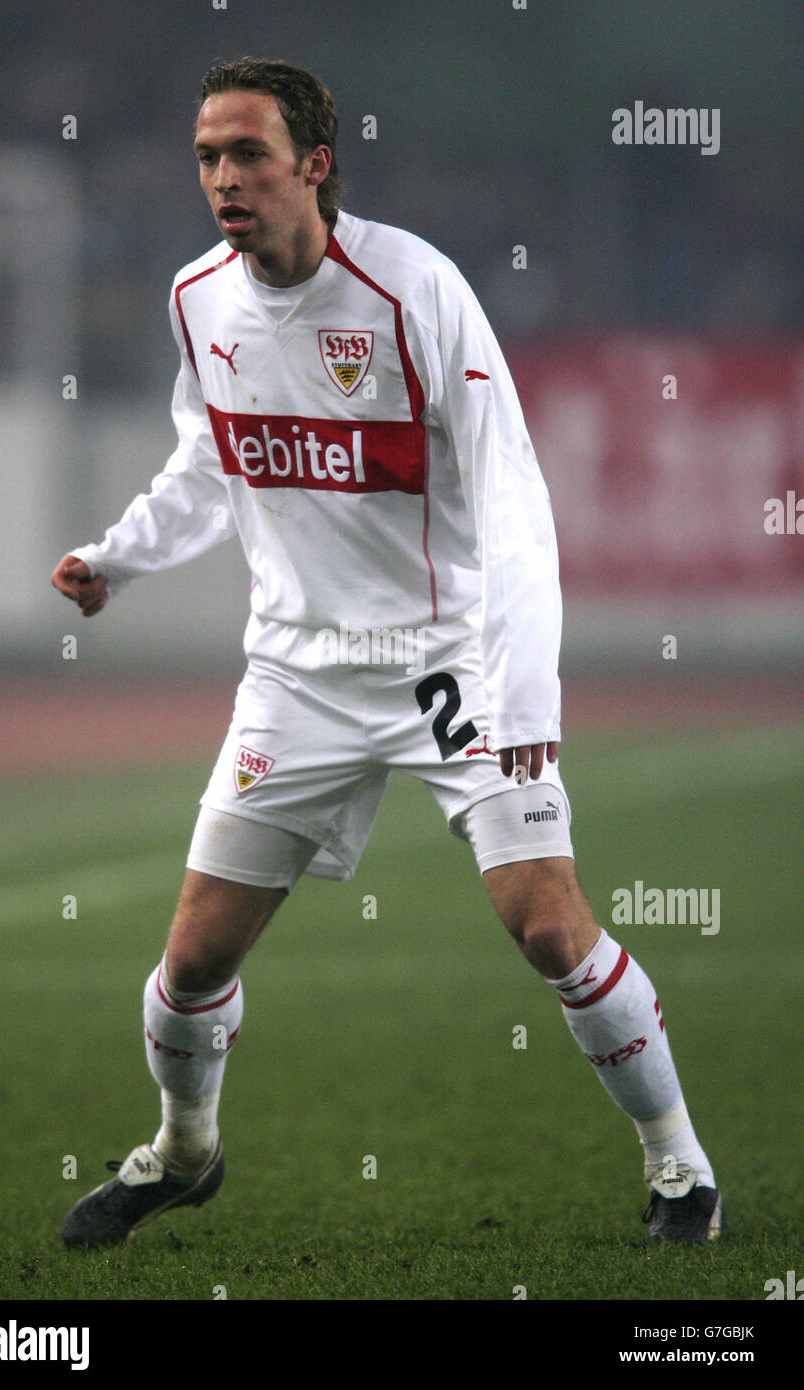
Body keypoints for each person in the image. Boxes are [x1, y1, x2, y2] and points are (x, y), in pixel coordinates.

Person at [52, 56, 721, 1249]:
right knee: (191, 962)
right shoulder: (197, 297)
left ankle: (678, 1166)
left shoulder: (414, 292)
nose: (222, 178)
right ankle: (186, 1150)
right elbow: (212, 455)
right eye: (207, 156)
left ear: (314, 162)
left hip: (442, 662)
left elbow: (512, 501)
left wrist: (521, 692)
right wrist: (116, 557)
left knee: (550, 928)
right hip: (295, 674)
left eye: (247, 153)